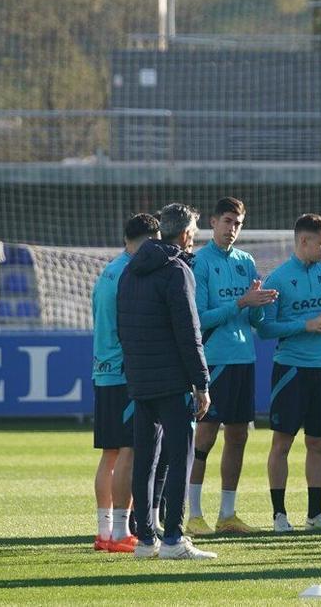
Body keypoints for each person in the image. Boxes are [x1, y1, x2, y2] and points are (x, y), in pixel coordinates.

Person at [118, 202, 217, 560]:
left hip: (141, 378)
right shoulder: (176, 270)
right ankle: (174, 537)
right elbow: (189, 333)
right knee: (181, 456)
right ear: (187, 234)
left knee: (145, 458)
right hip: (172, 381)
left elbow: (123, 328)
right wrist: (201, 383)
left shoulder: (131, 270)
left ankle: (145, 540)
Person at [186, 197, 277, 536]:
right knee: (205, 436)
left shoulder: (246, 261)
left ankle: (227, 514)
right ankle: (193, 513)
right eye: (227, 221)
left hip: (244, 358)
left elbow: (254, 318)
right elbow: (199, 317)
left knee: (238, 435)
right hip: (215, 360)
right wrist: (241, 301)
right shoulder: (200, 262)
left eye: (237, 223)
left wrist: (260, 303)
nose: (232, 229)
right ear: (213, 222)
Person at [257, 214, 321, 534]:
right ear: (303, 242)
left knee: (318, 443)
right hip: (291, 370)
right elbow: (265, 328)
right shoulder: (278, 279)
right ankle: (279, 515)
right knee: (282, 442)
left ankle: (315, 514)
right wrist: (305, 325)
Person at [92, 213, 159, 553]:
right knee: (131, 452)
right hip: (123, 372)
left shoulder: (108, 271)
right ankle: (120, 532)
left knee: (110, 454)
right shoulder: (130, 274)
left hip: (103, 369)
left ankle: (104, 532)